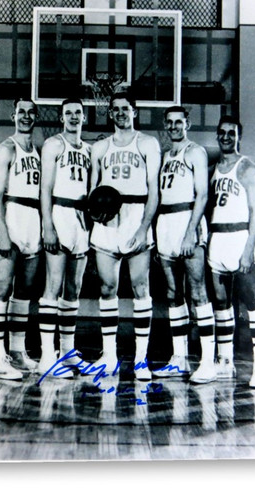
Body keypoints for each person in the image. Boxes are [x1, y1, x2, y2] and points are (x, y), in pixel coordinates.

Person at [87, 92, 161, 381]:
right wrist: (95, 214)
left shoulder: (147, 143)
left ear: (135, 112)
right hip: (108, 222)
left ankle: (141, 358)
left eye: (125, 108)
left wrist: (144, 227)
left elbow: (154, 190)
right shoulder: (100, 146)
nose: (120, 113)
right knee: (107, 288)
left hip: (136, 215)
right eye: (115, 109)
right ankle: (109, 355)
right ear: (110, 113)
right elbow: (93, 190)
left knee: (141, 289)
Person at [153, 106, 216, 384]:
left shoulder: (196, 152)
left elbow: (202, 195)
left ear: (187, 124)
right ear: (165, 126)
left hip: (187, 220)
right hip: (166, 223)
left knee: (198, 293)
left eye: (179, 122)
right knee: (172, 294)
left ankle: (207, 361)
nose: (174, 126)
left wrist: (191, 232)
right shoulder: (166, 156)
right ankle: (179, 358)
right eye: (170, 123)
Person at [206, 115, 255, 388]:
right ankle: (225, 360)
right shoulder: (212, 168)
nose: (226, 137)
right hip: (216, 238)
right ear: (217, 135)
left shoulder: (248, 168)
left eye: (231, 133)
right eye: (222, 132)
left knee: (250, 300)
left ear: (238, 136)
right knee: (220, 303)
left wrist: (249, 248)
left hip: (239, 237)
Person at [0, 98, 42, 380]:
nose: (26, 117)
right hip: (12, 216)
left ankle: (18, 351)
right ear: (13, 116)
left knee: (25, 292)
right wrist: (3, 232)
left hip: (34, 220)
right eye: (22, 112)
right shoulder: (6, 149)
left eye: (32, 113)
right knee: (1, 290)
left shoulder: (37, 152)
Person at [37, 98, 92, 377]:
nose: (73, 117)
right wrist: (47, 225)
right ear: (61, 118)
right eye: (68, 113)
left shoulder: (90, 150)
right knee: (54, 285)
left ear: (84, 117)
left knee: (74, 288)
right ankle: (48, 356)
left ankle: (68, 354)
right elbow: (45, 188)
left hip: (81, 219)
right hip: (59, 213)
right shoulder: (53, 145)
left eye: (77, 113)